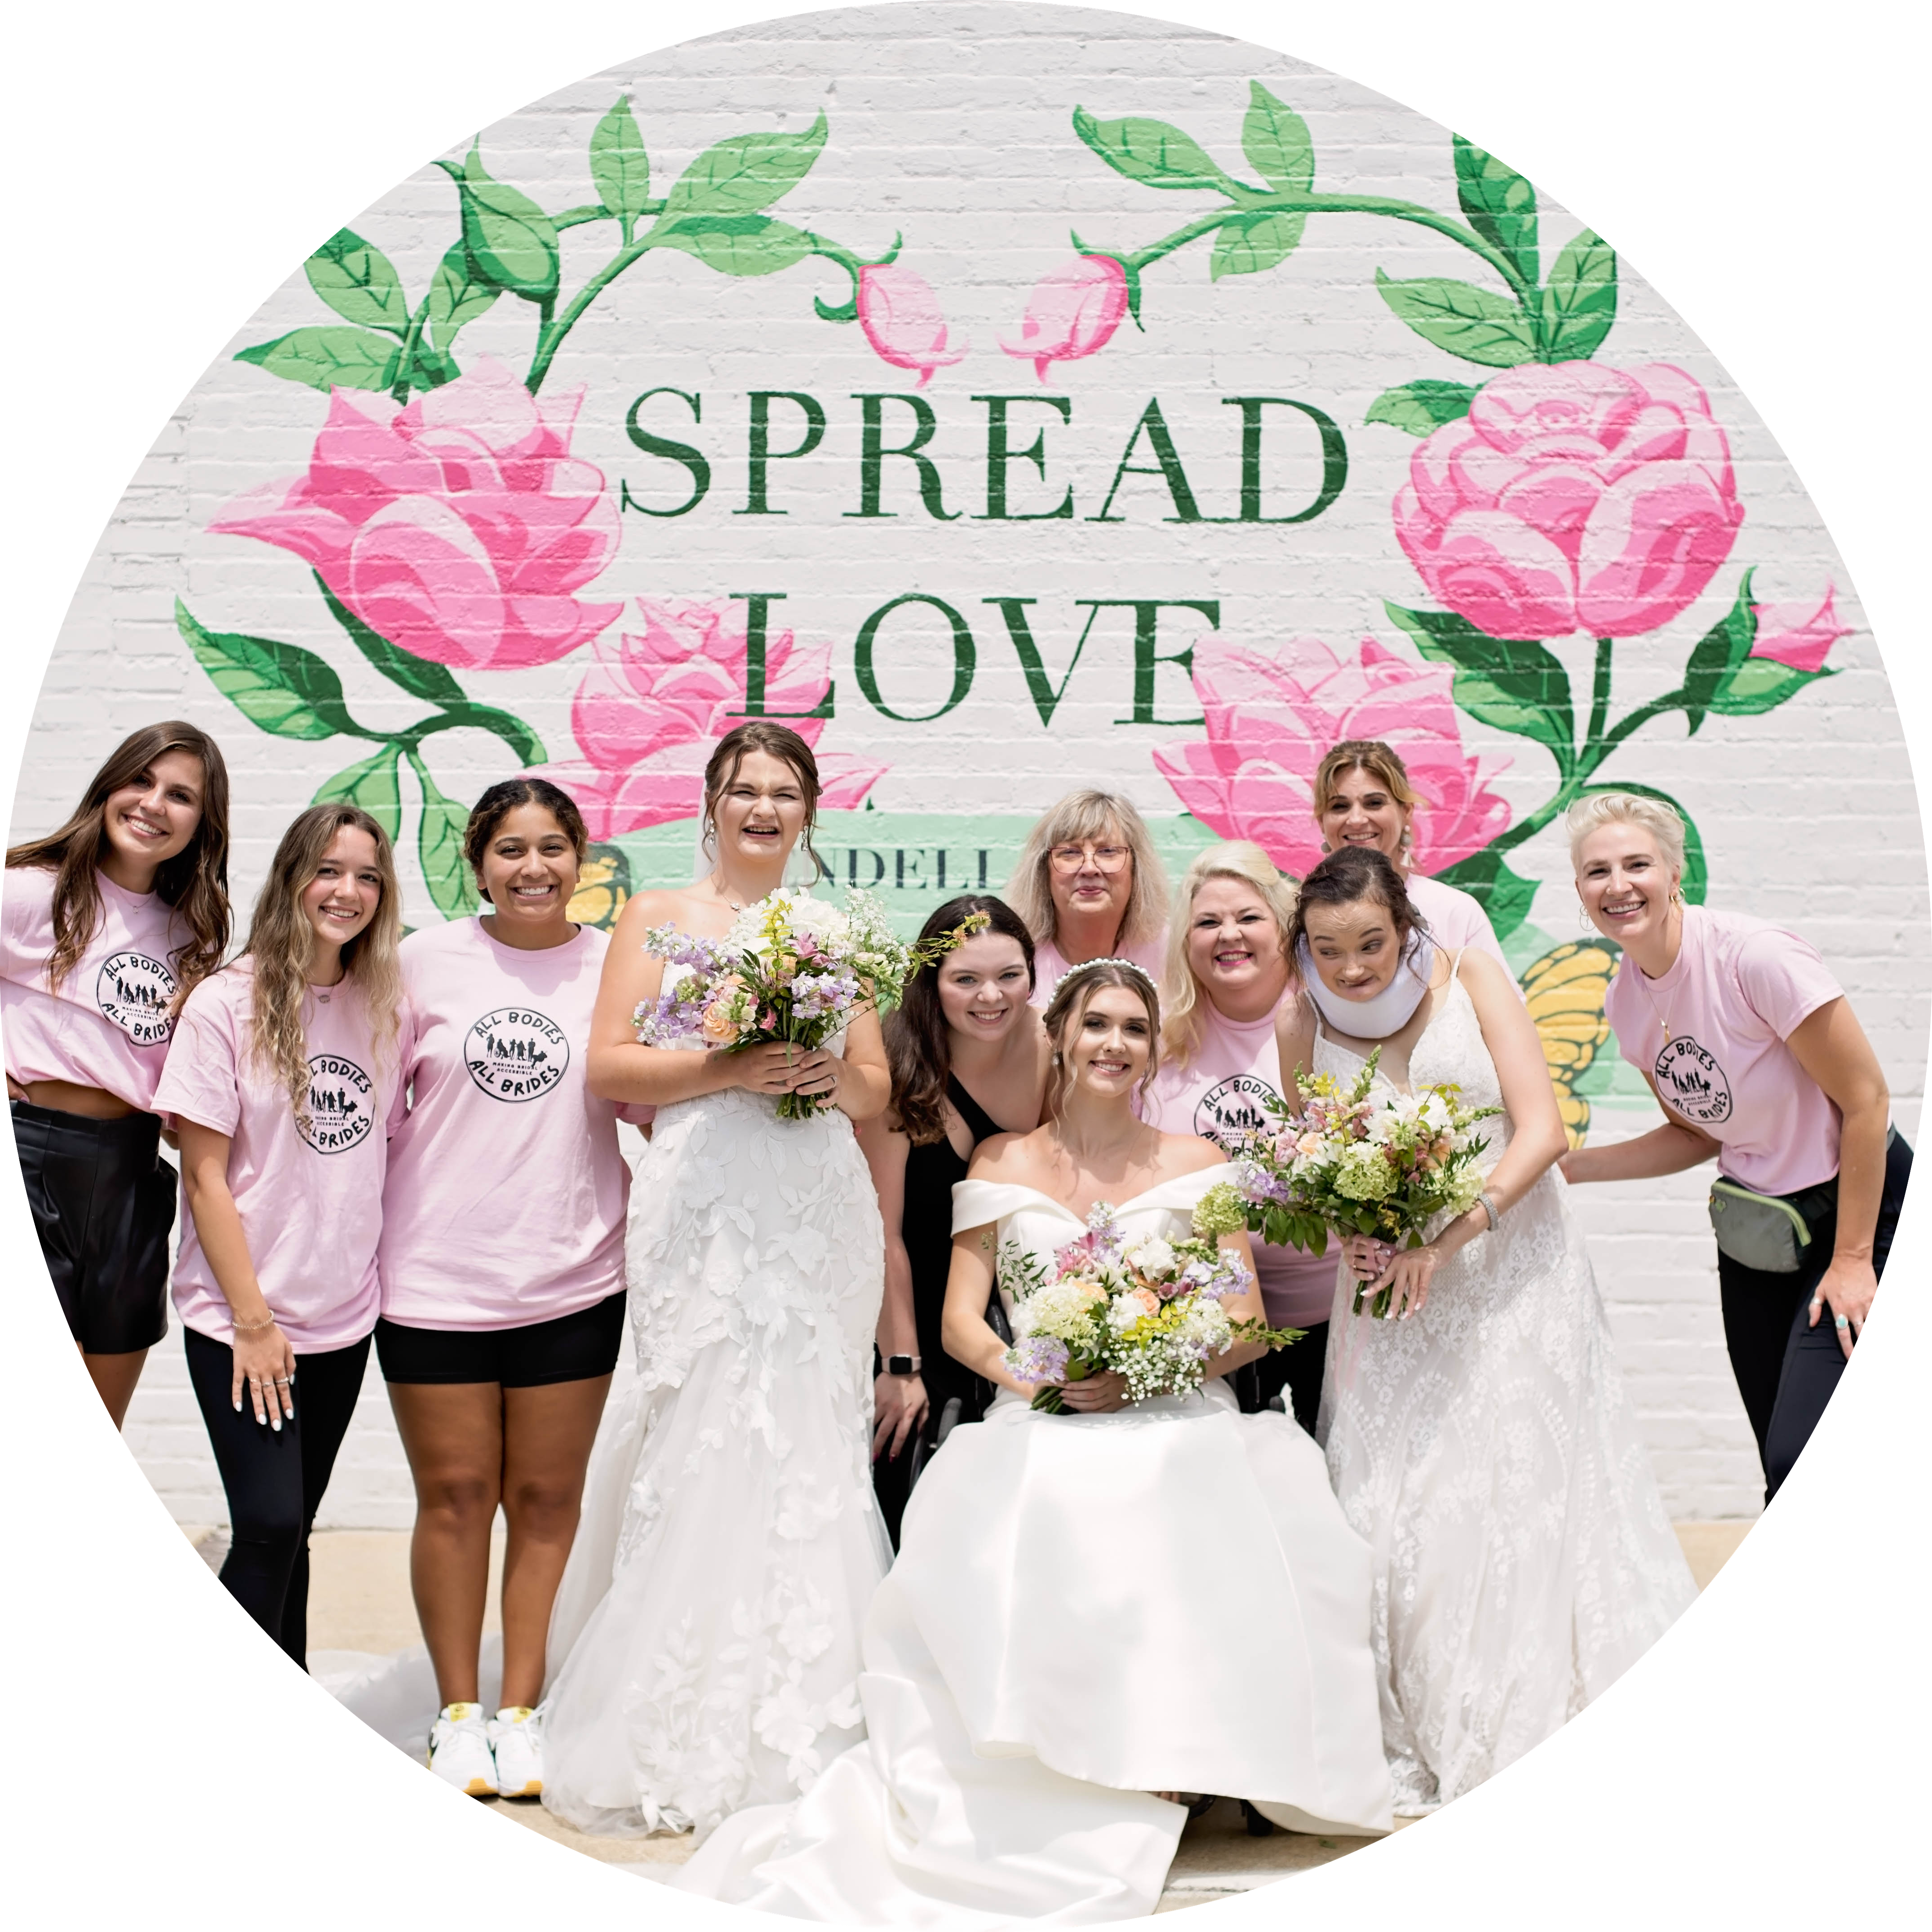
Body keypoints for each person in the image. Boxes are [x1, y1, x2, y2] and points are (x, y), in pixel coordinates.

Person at [668, 958, 1392, 1924]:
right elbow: (964, 1320)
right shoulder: (1001, 1162)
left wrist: (1148, 1372)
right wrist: (1035, 1380)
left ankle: (1181, 1753)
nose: (1113, 1044)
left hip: (1171, 1402)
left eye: (1134, 1028)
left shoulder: (1196, 1163)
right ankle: (1056, 1748)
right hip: (1041, 1404)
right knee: (1039, 1486)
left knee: (1188, 1473)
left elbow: (1248, 1319)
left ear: (1151, 1048)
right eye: (1096, 1023)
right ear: (1059, 1033)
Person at [1278, 844, 1693, 1814]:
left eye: (1371, 943)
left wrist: (1448, 1238)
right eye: (1328, 948)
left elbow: (1540, 1128)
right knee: (1398, 1497)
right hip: (1391, 1295)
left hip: (1510, 1265)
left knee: (1518, 1481)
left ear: (1408, 926)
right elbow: (1311, 1153)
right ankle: (1421, 1711)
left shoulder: (1470, 975)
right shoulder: (1298, 1016)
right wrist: (1360, 1234)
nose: (1350, 967)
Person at [540, 721, 893, 1840]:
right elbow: (608, 1066)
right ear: (710, 802)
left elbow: (877, 1088)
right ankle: (675, 1713)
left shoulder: (834, 932)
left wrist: (818, 1070)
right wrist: (728, 1064)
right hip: (706, 1197)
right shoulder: (656, 915)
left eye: (784, 792)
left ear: (808, 814)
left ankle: (813, 1710)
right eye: (744, 788)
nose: (763, 808)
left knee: (803, 1431)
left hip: (813, 1196)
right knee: (703, 1418)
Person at [375, 778, 645, 1799]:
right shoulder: (420, 964)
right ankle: (457, 1713)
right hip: (433, 1280)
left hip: (576, 1273)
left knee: (543, 1502)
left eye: (553, 848)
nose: (533, 868)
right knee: (454, 1500)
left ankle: (522, 1711)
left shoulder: (614, 965)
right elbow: (364, 1106)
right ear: (478, 862)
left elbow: (650, 1099)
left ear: (582, 859)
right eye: (509, 850)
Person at [1561, 792, 1908, 1500]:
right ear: (1579, 891)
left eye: (1637, 864)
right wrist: (1567, 1169)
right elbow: (1698, 1130)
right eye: (1597, 872)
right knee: (1772, 1455)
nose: (1618, 885)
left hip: (1858, 1207)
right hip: (1759, 1231)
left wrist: (1853, 1259)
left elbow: (1867, 1100)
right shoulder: (1625, 1001)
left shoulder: (1754, 959)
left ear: (1674, 871)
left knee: (1794, 1454)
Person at [155, 805, 401, 1659]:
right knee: (265, 1526)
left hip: (341, 1319)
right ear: (292, 877)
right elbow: (203, 1173)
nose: (349, 891)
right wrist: (253, 1323)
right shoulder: (227, 1002)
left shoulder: (384, 1007)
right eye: (329, 870)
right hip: (242, 1320)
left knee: (290, 1537)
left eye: (368, 875)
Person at [4, 721, 230, 1427]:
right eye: (141, 781)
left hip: (132, 1179)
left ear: (203, 822)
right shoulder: (30, 892)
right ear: (109, 788)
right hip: (34, 1156)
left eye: (181, 795)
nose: (154, 805)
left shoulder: (192, 932)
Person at [858, 895, 1050, 1547]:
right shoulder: (897, 1065)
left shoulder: (1053, 1046)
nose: (989, 997)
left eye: (1009, 976)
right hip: (908, 1312)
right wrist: (900, 1365)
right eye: (965, 979)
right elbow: (882, 1233)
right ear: (931, 982)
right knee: (908, 1482)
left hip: (1016, 1310)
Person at [1145, 842, 1335, 1430]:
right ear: (1186, 942)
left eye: (1249, 917)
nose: (1229, 934)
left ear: (1284, 928)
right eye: (1208, 922)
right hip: (1214, 1322)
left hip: (1337, 1315)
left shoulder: (1334, 1019)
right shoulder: (1157, 1042)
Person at [1309, 739, 1509, 972]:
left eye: (1374, 803)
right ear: (1323, 822)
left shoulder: (1455, 911)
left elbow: (1505, 1005)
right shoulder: (1298, 915)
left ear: (1405, 812)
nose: (1356, 820)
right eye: (1339, 807)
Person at [1007, 788, 1168, 1002]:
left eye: (1108, 851)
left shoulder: (1172, 952)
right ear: (1043, 871)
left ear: (1136, 868)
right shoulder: (1013, 958)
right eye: (1070, 853)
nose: (1089, 868)